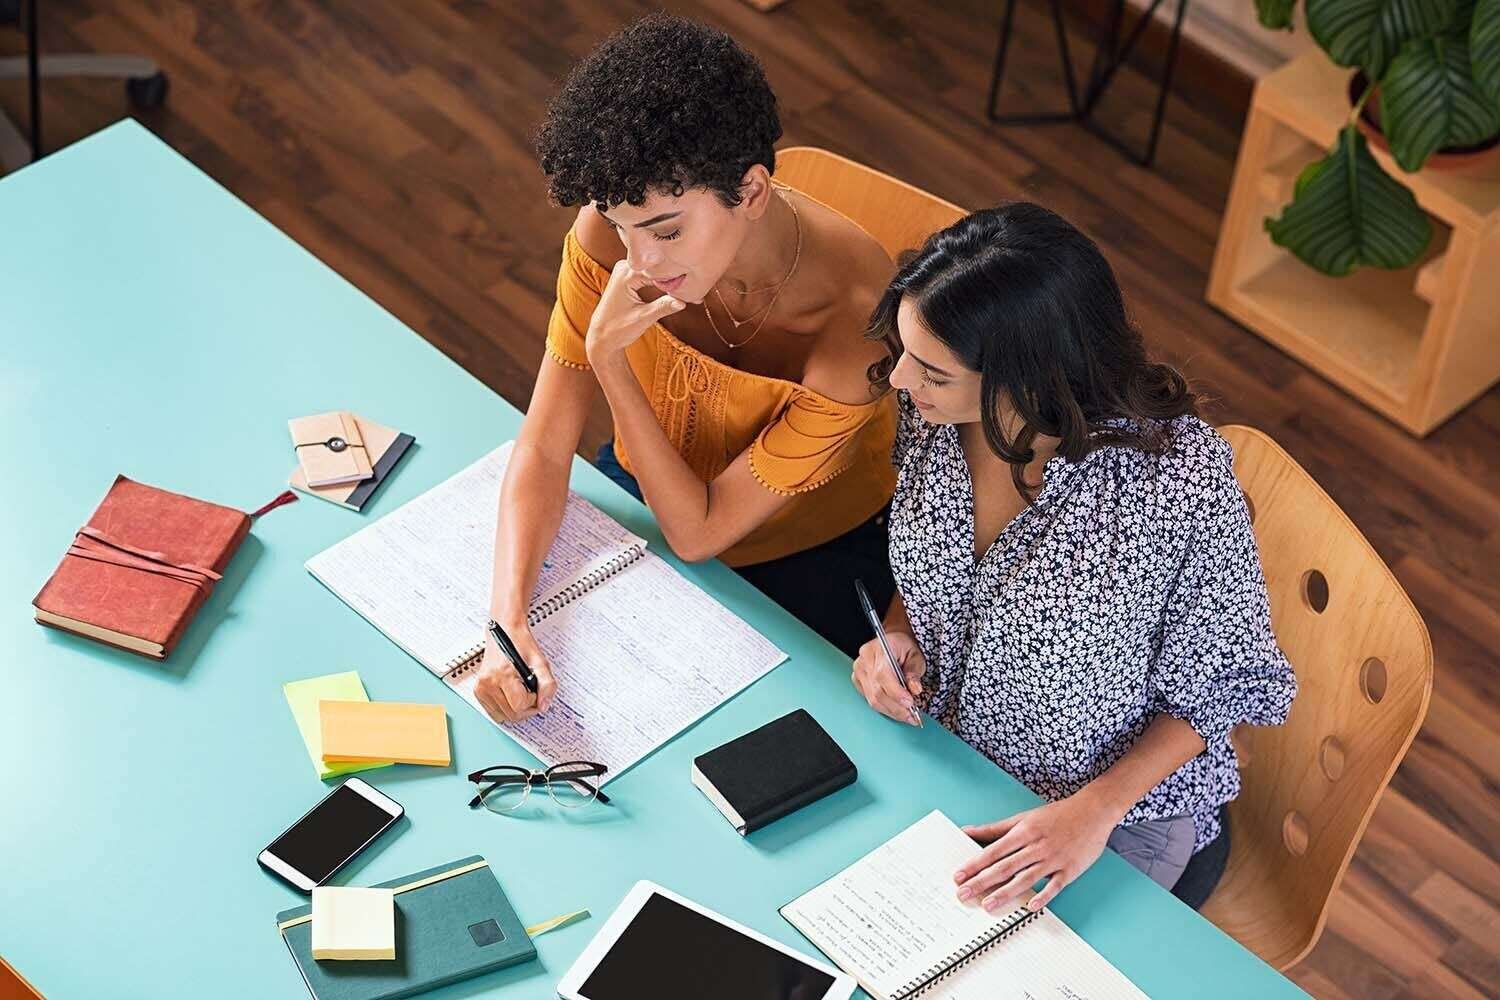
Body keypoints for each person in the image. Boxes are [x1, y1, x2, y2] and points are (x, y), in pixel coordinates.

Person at [851, 203, 1297, 911]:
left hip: (1110, 816)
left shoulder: (1172, 482)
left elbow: (1222, 686)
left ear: (1028, 375)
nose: (901, 380)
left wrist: (1091, 813)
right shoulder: (935, 414)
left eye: (932, 370)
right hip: (951, 756)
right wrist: (896, 638)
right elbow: (937, 577)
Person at [473, 14, 897, 726]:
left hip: (812, 548)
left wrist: (609, 359)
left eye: (667, 230)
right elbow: (546, 445)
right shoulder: (614, 233)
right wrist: (504, 620)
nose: (641, 263)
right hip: (651, 480)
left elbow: (700, 536)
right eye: (620, 225)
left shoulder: (854, 323)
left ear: (753, 192)